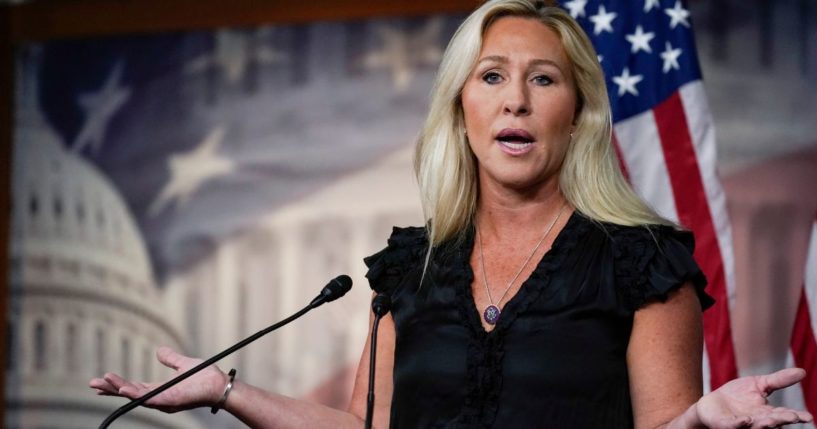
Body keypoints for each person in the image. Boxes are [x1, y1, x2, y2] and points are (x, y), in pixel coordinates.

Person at [90, 0, 813, 427]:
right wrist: (224, 390)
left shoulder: (642, 262)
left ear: (577, 114)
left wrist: (700, 420)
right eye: (491, 76)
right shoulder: (411, 267)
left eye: (543, 79)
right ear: (460, 108)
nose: (515, 100)